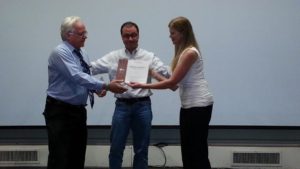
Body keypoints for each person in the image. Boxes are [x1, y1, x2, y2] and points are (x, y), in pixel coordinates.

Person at [129, 16, 214, 169]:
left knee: (197, 150)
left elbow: (171, 82)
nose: (170, 37)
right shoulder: (181, 53)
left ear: (182, 33)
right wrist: (153, 73)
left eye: (172, 33)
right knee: (188, 150)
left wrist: (142, 84)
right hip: (188, 106)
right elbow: (174, 84)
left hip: (199, 106)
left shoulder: (190, 53)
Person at [43, 16, 127, 169]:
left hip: (78, 111)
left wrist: (95, 89)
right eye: (81, 33)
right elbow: (76, 76)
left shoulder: (82, 53)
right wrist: (106, 85)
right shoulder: (60, 52)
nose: (85, 36)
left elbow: (85, 75)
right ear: (69, 35)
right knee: (60, 156)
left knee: (77, 154)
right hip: (60, 111)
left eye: (85, 33)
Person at [90, 21, 171, 169]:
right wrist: (99, 86)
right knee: (116, 148)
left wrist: (182, 64)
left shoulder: (149, 56)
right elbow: (90, 69)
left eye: (134, 35)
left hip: (143, 106)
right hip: (122, 106)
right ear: (121, 37)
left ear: (138, 36)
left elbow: (167, 73)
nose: (131, 39)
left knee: (141, 149)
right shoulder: (113, 56)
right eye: (127, 36)